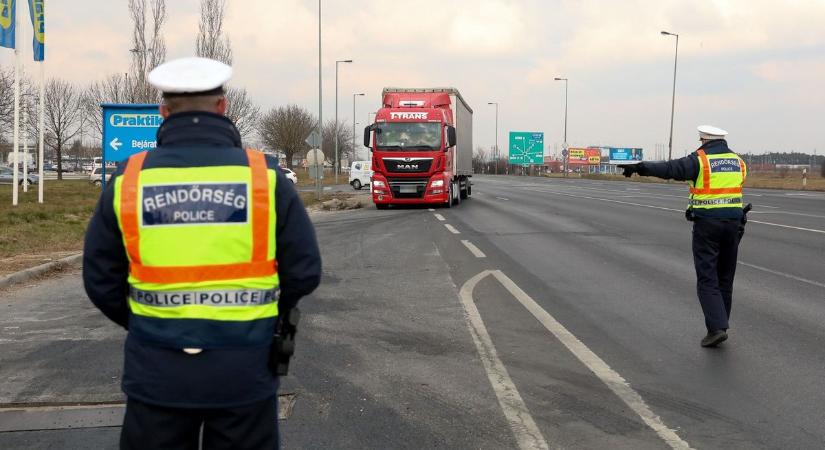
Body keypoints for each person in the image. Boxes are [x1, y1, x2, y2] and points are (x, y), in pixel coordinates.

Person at [83, 57, 322, 449]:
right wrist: (264, 320)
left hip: (156, 370)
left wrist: (147, 322)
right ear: (223, 107)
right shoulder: (264, 179)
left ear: (163, 111)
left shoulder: (129, 179)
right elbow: (305, 271)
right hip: (244, 370)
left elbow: (99, 277)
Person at [619, 125, 748, 348]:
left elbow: (671, 169)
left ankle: (717, 328)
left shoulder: (700, 160)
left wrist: (640, 167)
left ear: (703, 140)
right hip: (734, 224)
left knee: (707, 277)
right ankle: (720, 324)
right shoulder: (739, 162)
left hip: (707, 225)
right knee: (725, 278)